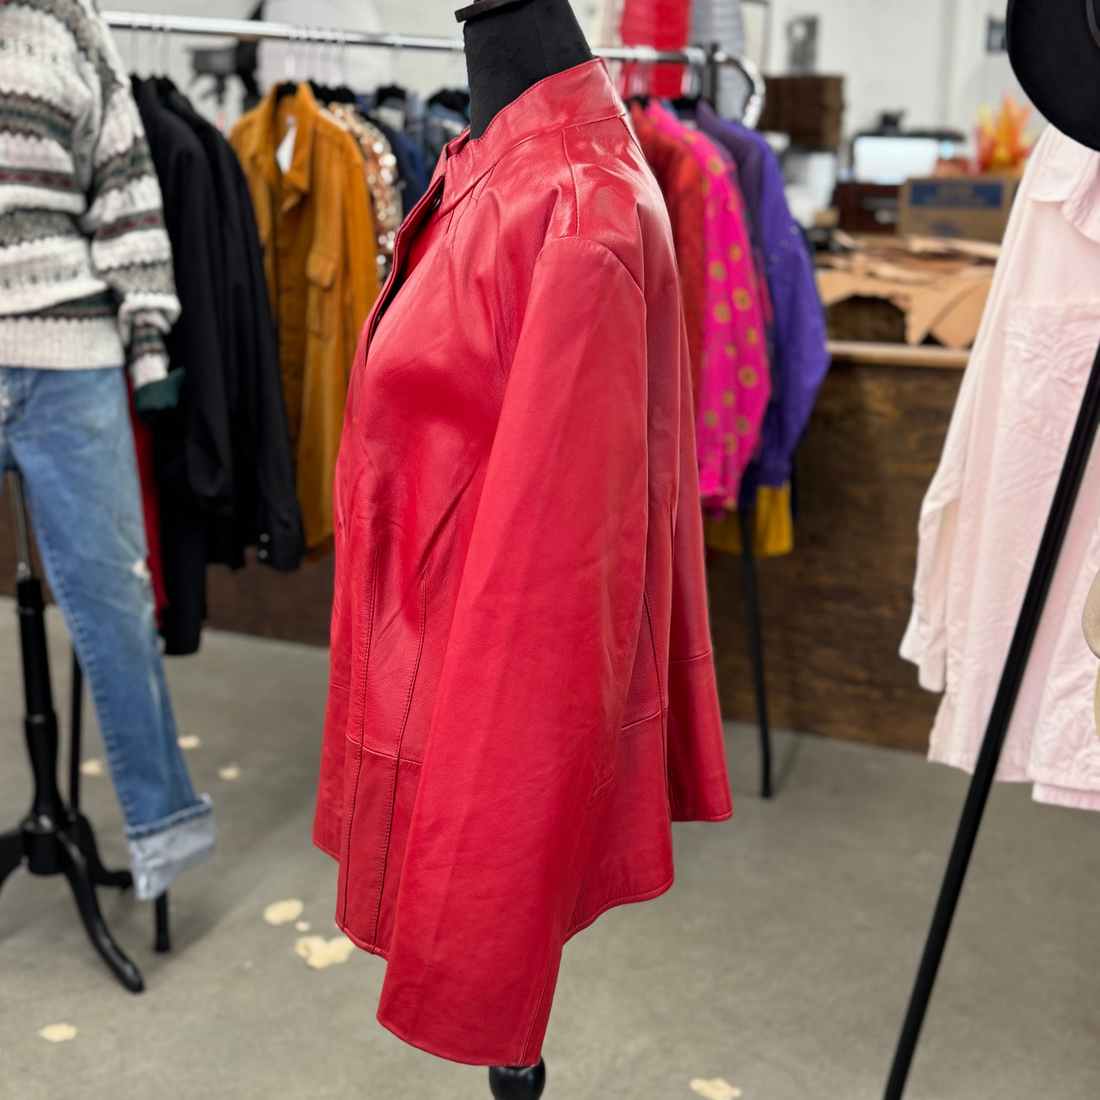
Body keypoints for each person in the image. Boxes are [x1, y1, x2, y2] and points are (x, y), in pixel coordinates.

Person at [0, 0, 214, 898]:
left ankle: (161, 836)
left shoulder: (69, 17)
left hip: (70, 356)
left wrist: (150, 339)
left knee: (118, 604)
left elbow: (125, 180)